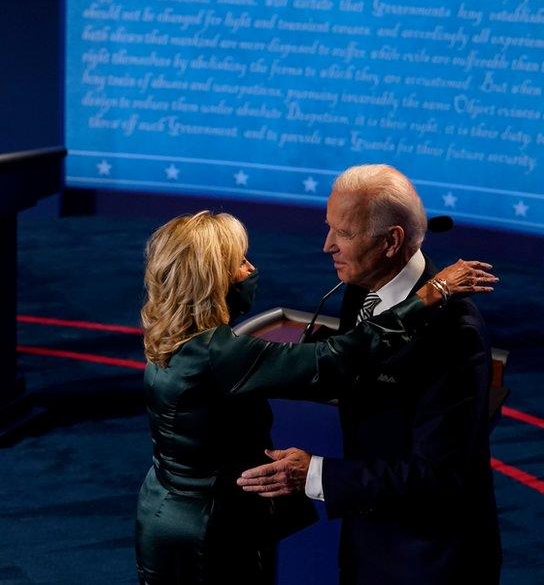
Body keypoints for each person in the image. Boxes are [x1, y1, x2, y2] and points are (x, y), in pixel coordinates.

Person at [135, 210, 495, 585]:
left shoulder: (170, 329)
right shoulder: (219, 353)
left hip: (165, 511)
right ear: (211, 279)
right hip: (207, 533)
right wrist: (430, 294)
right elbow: (335, 360)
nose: (251, 269)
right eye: (239, 262)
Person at [237, 164, 502, 584]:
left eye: (343, 233)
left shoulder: (455, 335)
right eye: (329, 228)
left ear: (391, 241)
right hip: (366, 543)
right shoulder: (362, 286)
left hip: (426, 560)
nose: (327, 246)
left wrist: (315, 474)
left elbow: (439, 476)